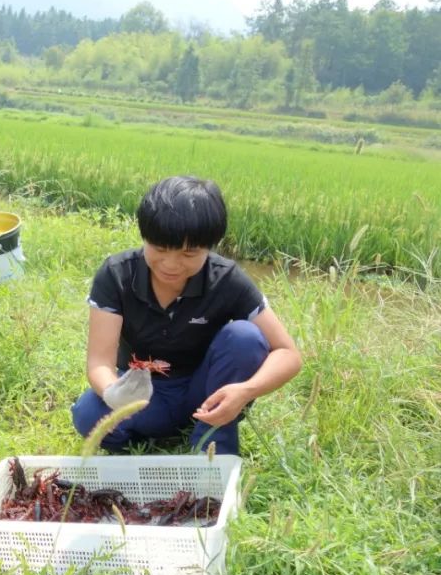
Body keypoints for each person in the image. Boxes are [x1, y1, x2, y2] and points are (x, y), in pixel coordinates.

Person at [71, 176, 302, 455]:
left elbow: (288, 353)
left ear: (210, 246)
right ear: (144, 236)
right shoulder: (117, 275)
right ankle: (143, 444)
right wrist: (113, 392)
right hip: (145, 396)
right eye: (159, 249)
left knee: (245, 337)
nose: (171, 264)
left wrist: (245, 392)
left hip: (204, 392)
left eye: (189, 253)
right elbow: (99, 361)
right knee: (87, 414)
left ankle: (213, 440)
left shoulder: (226, 279)